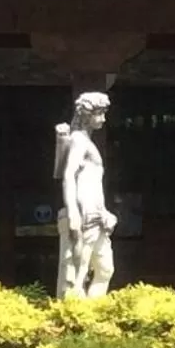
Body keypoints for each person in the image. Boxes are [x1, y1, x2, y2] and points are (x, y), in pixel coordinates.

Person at [53, 92, 117, 299]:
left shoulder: (85, 140)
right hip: (85, 210)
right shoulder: (79, 140)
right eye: (100, 113)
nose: (104, 118)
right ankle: (77, 316)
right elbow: (68, 175)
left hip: (97, 210)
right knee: (79, 271)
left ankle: (92, 313)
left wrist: (105, 211)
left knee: (105, 268)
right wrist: (73, 211)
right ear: (87, 115)